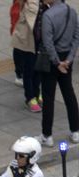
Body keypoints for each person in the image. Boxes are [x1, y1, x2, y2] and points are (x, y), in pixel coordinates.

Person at [38, 0, 79, 147]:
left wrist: (57, 62)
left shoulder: (48, 15)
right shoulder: (72, 11)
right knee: (69, 93)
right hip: (67, 57)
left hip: (51, 61)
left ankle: (47, 135)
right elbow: (76, 37)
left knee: (48, 97)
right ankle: (75, 130)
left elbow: (48, 42)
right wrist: (68, 59)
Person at [11, 1, 42, 113]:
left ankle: (36, 94)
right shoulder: (30, 3)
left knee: (38, 70)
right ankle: (30, 98)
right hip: (28, 41)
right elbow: (32, 20)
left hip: (38, 41)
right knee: (29, 71)